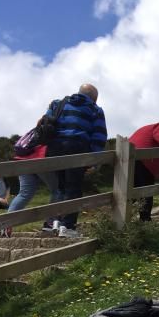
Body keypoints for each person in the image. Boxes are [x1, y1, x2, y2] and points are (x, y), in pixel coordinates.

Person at [41, 83, 108, 238]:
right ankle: (67, 227)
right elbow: (99, 136)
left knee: (60, 188)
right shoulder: (95, 109)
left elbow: (45, 122)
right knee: (74, 188)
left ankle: (54, 223)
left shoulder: (58, 103)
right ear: (94, 98)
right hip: (77, 148)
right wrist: (94, 160)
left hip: (54, 149)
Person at [4, 144, 55, 237]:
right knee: (58, 190)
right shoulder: (55, 130)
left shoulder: (36, 132)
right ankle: (50, 223)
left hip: (23, 158)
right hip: (40, 158)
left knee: (24, 194)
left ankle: (6, 224)